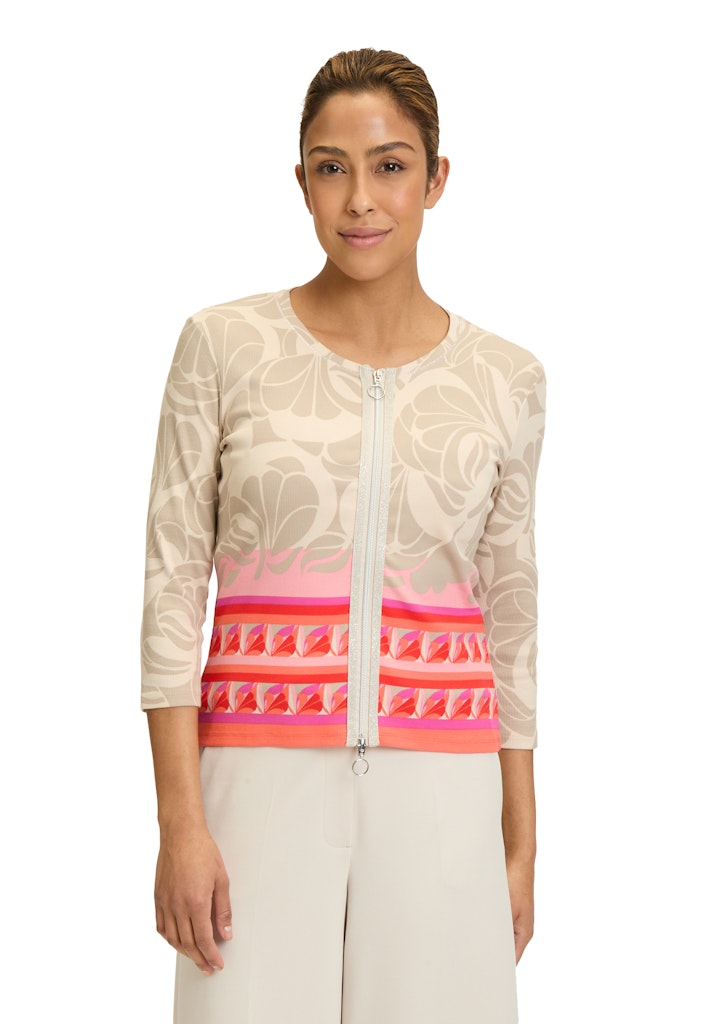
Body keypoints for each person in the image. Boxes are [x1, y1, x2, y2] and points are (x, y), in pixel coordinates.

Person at [141, 47, 546, 1024]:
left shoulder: (506, 379)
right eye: (332, 167)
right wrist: (180, 821)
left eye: (389, 165)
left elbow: (511, 610)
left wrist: (521, 836)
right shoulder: (224, 347)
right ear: (302, 182)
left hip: (443, 791)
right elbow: (171, 587)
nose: (360, 198)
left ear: (435, 179)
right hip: (256, 783)